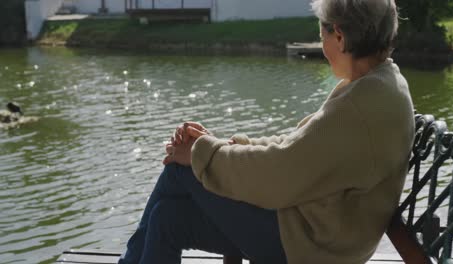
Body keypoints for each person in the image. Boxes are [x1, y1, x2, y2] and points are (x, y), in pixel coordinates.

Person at [118, 0, 415, 263]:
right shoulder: (379, 83)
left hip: (313, 246)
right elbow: (298, 146)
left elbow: (281, 173)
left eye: (321, 33)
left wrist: (201, 153)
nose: (322, 44)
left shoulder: (359, 106)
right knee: (168, 218)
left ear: (338, 35)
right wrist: (223, 146)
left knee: (178, 172)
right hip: (319, 231)